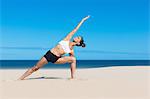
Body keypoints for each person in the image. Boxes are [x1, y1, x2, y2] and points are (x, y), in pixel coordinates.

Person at [19, 15, 90, 80]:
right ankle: (20, 78)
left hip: (56, 59)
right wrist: (83, 20)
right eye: (77, 36)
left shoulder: (71, 50)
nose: (76, 36)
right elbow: (76, 29)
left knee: (73, 59)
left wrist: (71, 56)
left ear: (78, 42)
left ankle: (72, 77)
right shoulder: (67, 38)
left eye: (78, 38)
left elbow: (71, 62)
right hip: (49, 55)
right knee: (35, 68)